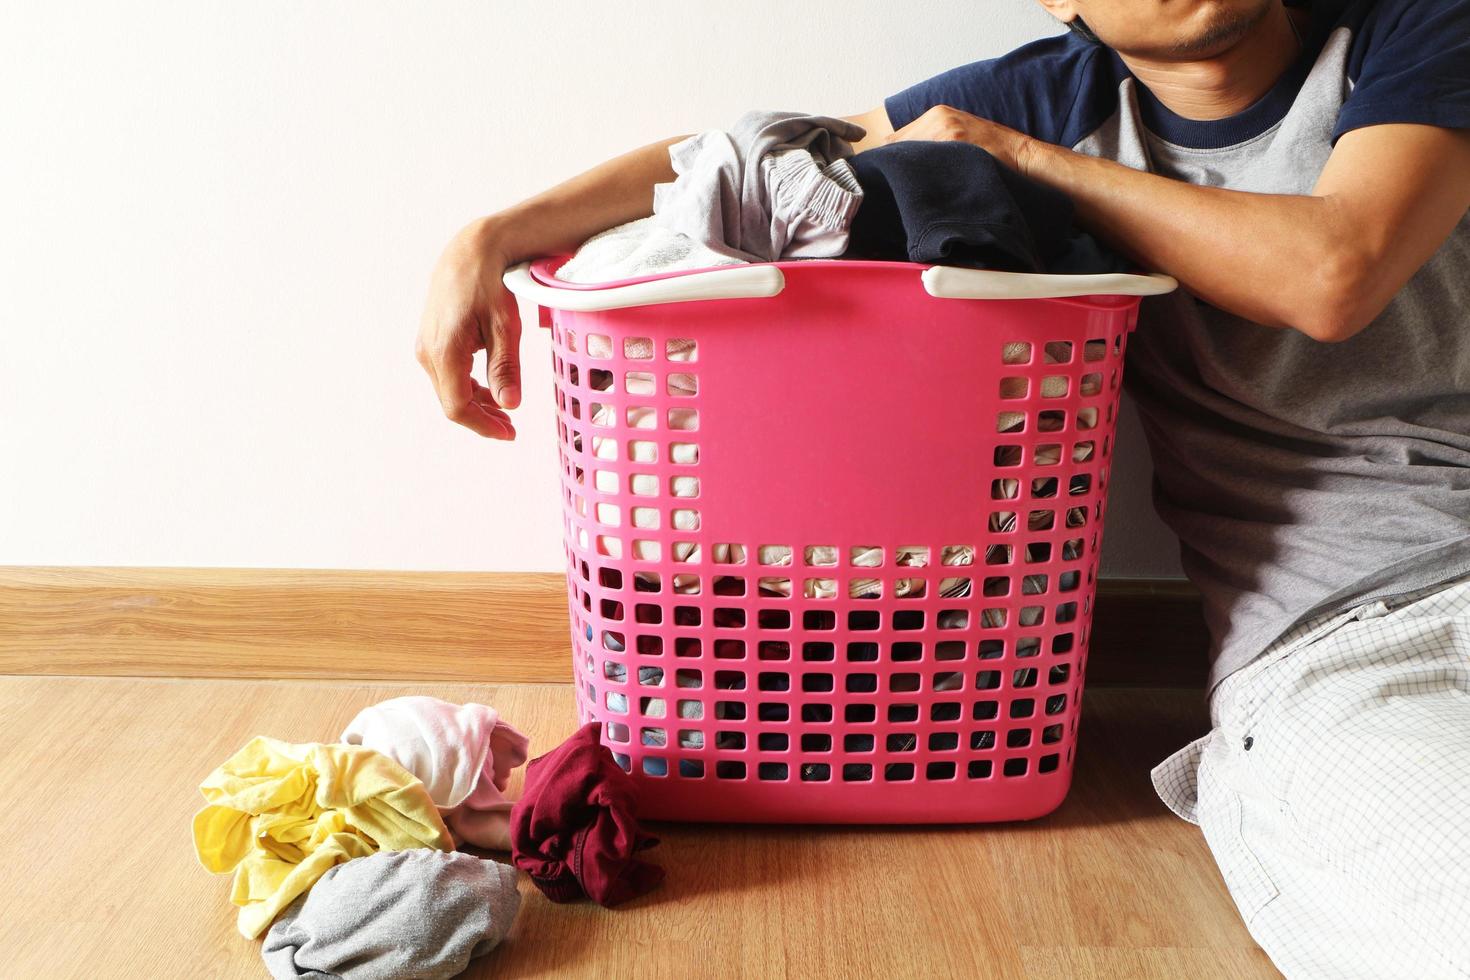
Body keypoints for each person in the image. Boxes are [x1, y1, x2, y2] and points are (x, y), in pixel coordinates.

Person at [416, 1, 1470, 975]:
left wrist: (1025, 164)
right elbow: (751, 159)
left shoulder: (1412, 34)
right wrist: (489, 235)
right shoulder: (1059, 98)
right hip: (1349, 638)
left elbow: (1337, 269)